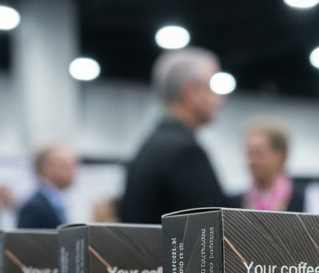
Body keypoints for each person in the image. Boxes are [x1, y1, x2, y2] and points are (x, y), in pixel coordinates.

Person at [120, 47, 228, 224]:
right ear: (190, 92)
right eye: (212, 87)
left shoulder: (151, 145)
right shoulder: (185, 153)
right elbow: (212, 229)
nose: (220, 99)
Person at [234, 121, 305, 212]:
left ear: (281, 156)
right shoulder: (235, 203)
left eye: (258, 153)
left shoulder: (306, 199)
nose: (252, 161)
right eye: (249, 153)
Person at [17, 145, 77, 229]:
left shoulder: (58, 201)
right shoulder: (33, 208)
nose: (73, 171)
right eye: (65, 165)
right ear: (44, 168)